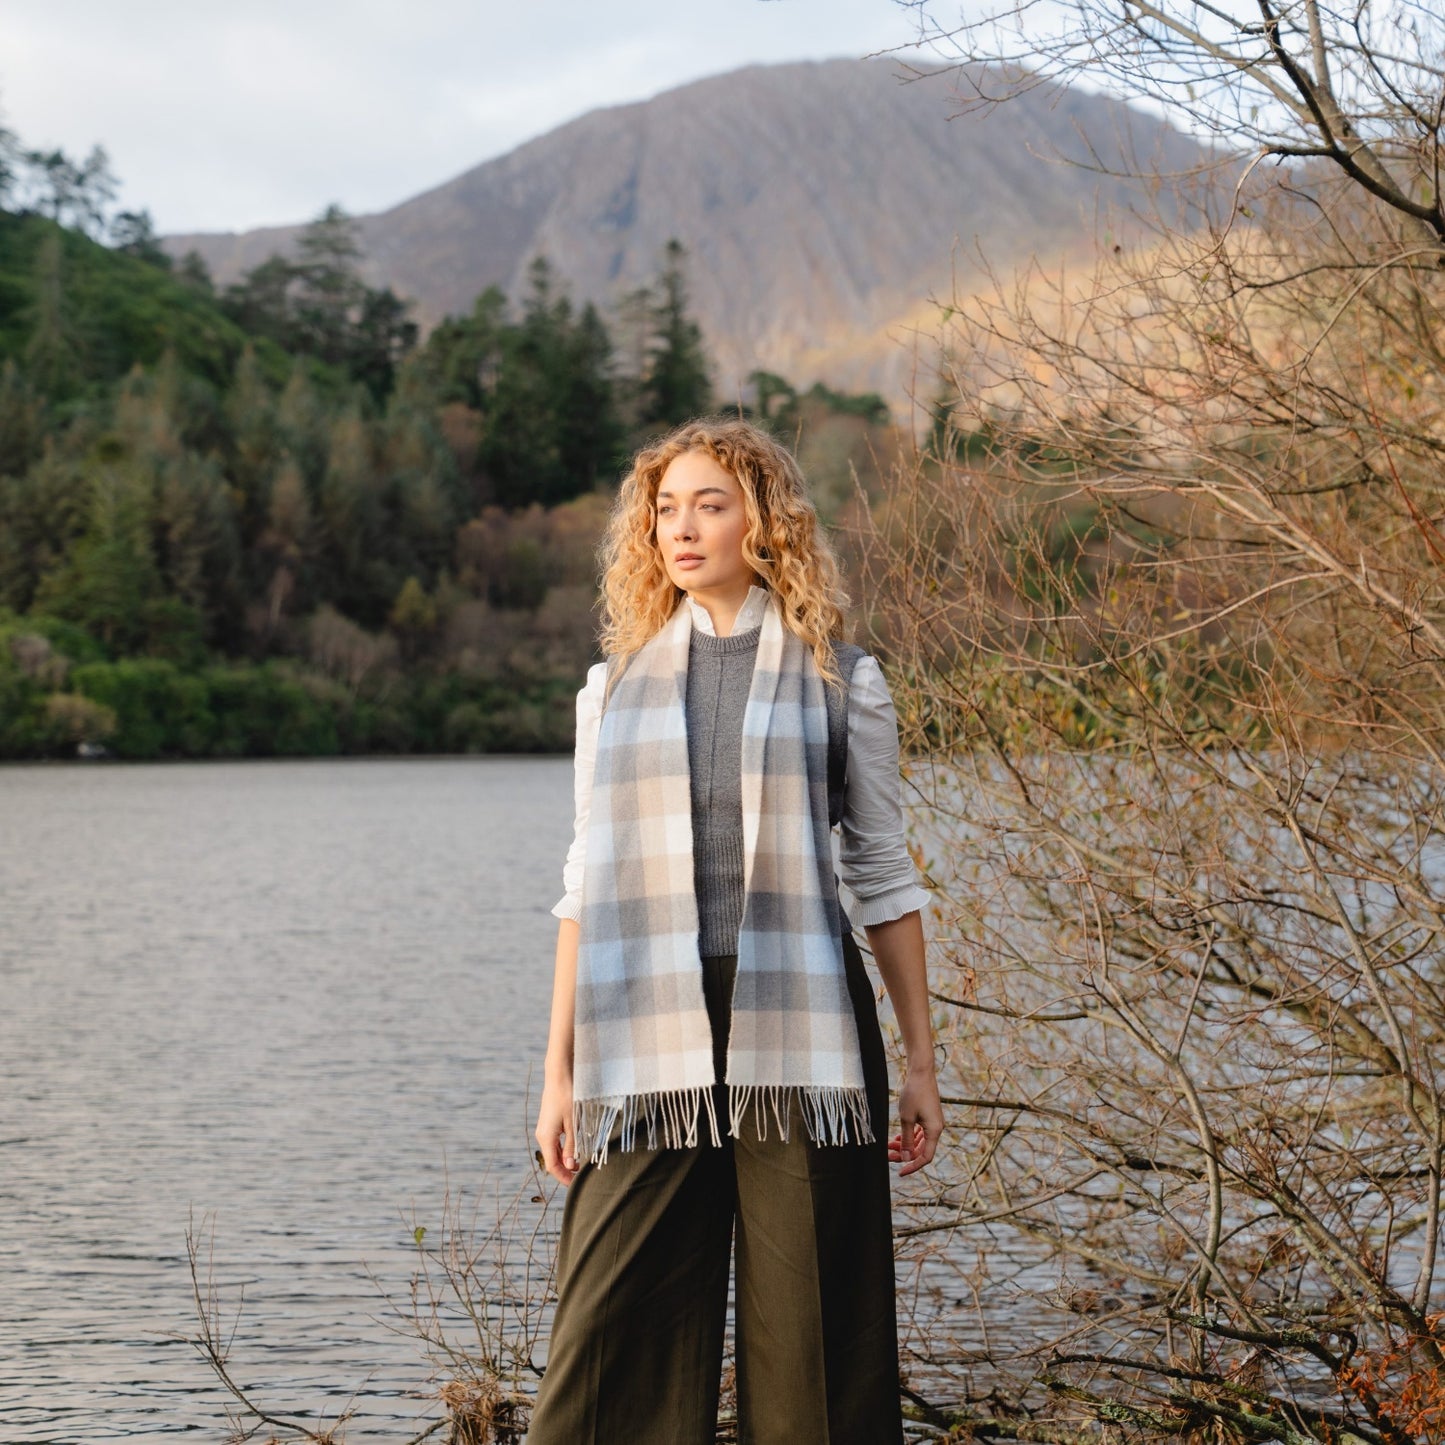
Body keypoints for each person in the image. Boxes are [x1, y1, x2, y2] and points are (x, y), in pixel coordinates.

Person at [529, 416, 943, 1445]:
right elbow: (583, 881)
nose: (682, 527)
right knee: (609, 1322)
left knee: (811, 1332)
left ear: (764, 519)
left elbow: (882, 873)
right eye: (666, 508)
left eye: (709, 503)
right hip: (642, 1023)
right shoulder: (612, 688)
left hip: (799, 1020)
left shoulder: (841, 676)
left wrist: (921, 1058)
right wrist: (556, 1071)